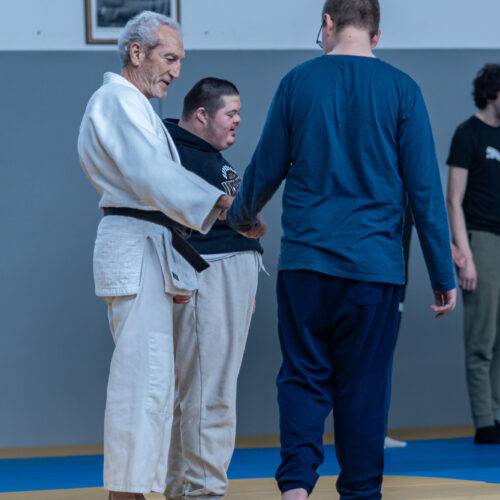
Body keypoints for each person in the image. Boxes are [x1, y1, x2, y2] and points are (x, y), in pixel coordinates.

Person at [227, 1, 457, 498]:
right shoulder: (403, 89)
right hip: (375, 270)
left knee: (303, 377)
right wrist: (443, 275)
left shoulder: (297, 82)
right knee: (364, 388)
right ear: (376, 35)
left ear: (327, 23)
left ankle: (295, 489)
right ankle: (360, 493)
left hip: (306, 264)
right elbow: (425, 192)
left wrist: (239, 219)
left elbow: (265, 167)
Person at [77, 12, 233, 500]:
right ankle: (126, 494)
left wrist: (177, 270)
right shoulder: (116, 101)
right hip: (134, 244)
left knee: (155, 383)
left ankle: (135, 491)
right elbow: (150, 176)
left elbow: (154, 189)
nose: (176, 71)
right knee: (140, 382)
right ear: (136, 52)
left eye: (180, 60)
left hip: (148, 244)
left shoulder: (135, 106)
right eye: (169, 58)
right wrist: (219, 203)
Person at [162, 78, 264, 499]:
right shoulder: (174, 151)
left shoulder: (205, 154)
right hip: (208, 272)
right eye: (231, 113)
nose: (238, 121)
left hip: (229, 275)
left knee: (201, 390)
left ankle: (183, 488)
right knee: (209, 391)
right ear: (201, 115)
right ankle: (202, 490)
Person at [447, 64, 500, 445]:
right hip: (480, 239)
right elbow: (454, 200)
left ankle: (497, 413)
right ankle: (484, 421)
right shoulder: (468, 134)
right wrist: (465, 255)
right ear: (493, 93)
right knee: (482, 337)